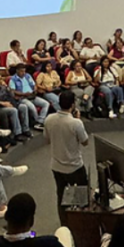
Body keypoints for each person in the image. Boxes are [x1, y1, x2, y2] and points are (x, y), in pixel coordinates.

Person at [43, 90, 90, 226]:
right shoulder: (76, 123)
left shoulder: (49, 119)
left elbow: (46, 140)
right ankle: (83, 222)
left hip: (56, 166)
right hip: (75, 166)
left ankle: (64, 224)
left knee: (61, 195)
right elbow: (85, 142)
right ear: (73, 105)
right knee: (82, 195)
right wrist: (79, 120)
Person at [0, 71, 33, 139]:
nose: (0, 81)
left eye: (1, 79)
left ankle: (25, 129)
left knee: (23, 107)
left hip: (9, 103)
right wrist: (2, 103)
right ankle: (17, 133)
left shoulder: (3, 87)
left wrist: (7, 88)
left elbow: (12, 95)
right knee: (13, 110)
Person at [11, 64, 49, 131]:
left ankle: (40, 121)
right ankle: (37, 122)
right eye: (21, 71)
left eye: (24, 71)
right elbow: (13, 91)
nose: (23, 73)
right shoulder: (13, 79)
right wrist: (24, 94)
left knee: (46, 103)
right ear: (17, 71)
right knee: (32, 107)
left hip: (32, 95)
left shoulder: (28, 76)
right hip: (23, 98)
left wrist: (34, 89)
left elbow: (34, 85)